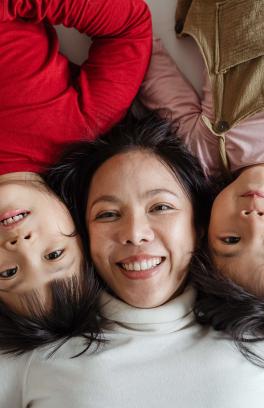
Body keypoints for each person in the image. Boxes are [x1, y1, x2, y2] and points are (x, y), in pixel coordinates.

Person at [7, 114, 263, 408]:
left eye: (161, 207)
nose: (135, 234)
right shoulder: (33, 359)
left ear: (198, 226)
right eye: (107, 214)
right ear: (84, 236)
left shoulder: (255, 346)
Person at [0, 0, 152, 354]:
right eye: (54, 255)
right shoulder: (79, 129)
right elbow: (129, 26)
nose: (21, 246)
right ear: (81, 230)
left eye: (7, 274)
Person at [139, 36, 264, 298]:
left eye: (231, 240)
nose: (252, 222)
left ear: (203, 231)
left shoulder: (201, 153)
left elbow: (145, 57)